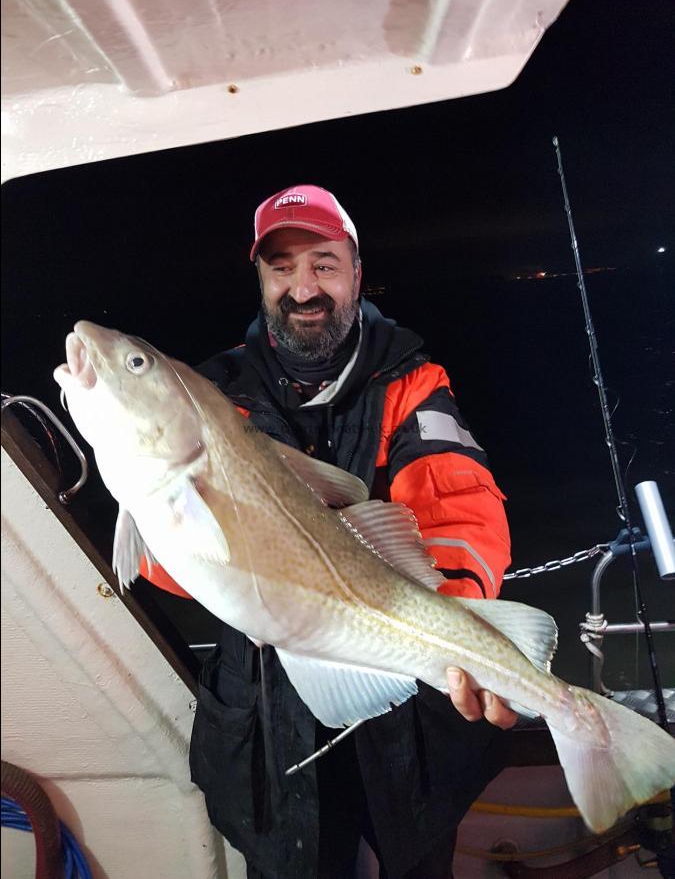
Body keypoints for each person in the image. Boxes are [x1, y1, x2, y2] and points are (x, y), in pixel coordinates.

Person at [142, 185, 516, 879]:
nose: (302, 287)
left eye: (322, 263)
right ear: (260, 279)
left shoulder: (410, 379)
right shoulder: (213, 393)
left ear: (355, 271)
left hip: (398, 690)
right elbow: (177, 566)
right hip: (265, 711)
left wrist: (461, 631)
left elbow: (455, 508)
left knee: (414, 861)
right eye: (281, 268)